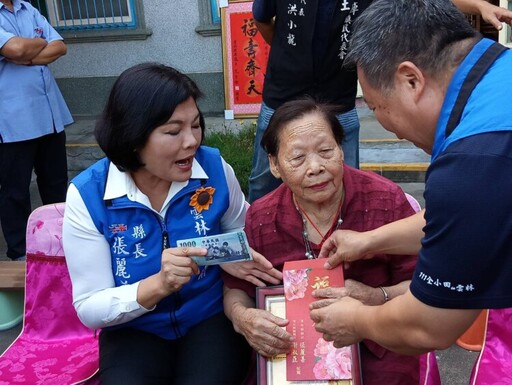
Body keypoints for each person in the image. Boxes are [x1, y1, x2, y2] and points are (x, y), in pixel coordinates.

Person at [309, 0, 512, 383]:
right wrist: (368, 242)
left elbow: (430, 326)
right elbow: (467, 224)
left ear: (411, 80)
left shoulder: (475, 158)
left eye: (376, 106)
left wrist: (356, 319)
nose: (390, 129)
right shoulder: (499, 77)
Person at [223, 97, 439, 385]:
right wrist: (244, 318)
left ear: (341, 149)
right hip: (295, 349)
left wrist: (376, 297)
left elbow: (424, 285)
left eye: (326, 151)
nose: (315, 167)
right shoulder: (262, 217)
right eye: (298, 158)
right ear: (274, 165)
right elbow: (236, 290)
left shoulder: (384, 200)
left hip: (377, 340)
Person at [62, 63, 251, 385]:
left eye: (195, 125)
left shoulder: (215, 169)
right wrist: (159, 285)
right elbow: (90, 306)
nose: (192, 141)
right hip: (134, 329)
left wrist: (221, 255)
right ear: (133, 136)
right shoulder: (88, 195)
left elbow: (243, 238)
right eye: (173, 131)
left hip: (209, 316)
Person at [247, 0, 512, 203]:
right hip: (284, 91)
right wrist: (292, 54)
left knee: (348, 179)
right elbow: (262, 18)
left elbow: (419, 4)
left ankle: (345, 242)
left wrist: (477, 5)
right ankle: (257, 237)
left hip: (338, 96)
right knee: (264, 178)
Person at [0, 0, 73, 261]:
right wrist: (35, 45)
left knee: (56, 185)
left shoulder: (27, 8)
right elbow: (15, 47)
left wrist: (24, 58)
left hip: (49, 115)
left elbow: (60, 46)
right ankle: (21, 253)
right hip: (13, 121)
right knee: (15, 191)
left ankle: (64, 242)